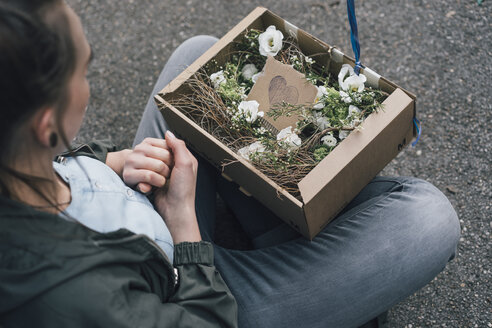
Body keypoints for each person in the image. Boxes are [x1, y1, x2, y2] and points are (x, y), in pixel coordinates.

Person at [0, 1, 460, 327]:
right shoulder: (73, 298)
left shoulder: (18, 155)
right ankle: (291, 242)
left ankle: (291, 231)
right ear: (45, 125)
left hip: (147, 228)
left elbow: (62, 167)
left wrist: (113, 163)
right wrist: (183, 225)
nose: (87, 82)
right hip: (193, 294)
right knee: (427, 217)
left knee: (196, 54)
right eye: (84, 71)